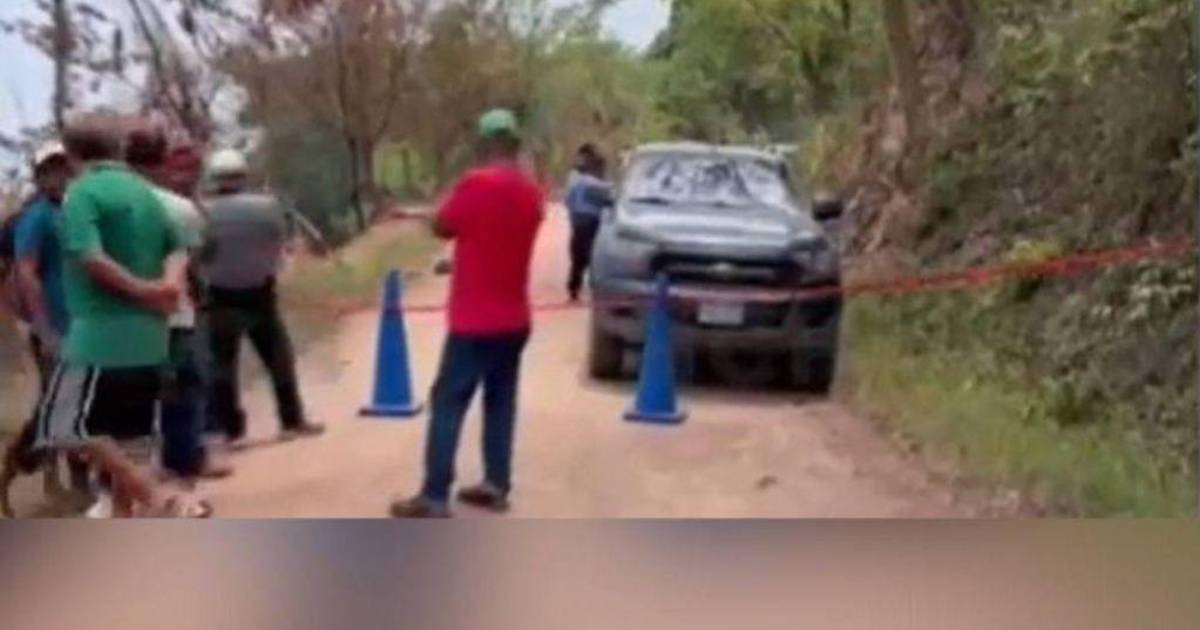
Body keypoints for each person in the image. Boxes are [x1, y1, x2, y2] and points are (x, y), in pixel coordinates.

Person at [27, 113, 210, 517]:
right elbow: (177, 247)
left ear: (72, 154)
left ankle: (162, 497)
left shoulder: (82, 193)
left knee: (62, 422)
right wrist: (168, 287)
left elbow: (89, 256)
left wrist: (143, 290)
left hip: (100, 332)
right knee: (130, 438)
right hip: (151, 335)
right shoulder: (144, 192)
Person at [391, 108, 544, 518]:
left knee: (448, 401)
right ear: (515, 144)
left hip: (475, 320)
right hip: (515, 318)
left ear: (484, 143)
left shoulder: (477, 183)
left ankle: (435, 494)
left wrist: (431, 209)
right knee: (500, 400)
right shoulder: (532, 191)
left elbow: (443, 226)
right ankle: (496, 483)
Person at [125, 126, 232, 484]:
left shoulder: (102, 206)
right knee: (185, 389)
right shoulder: (179, 207)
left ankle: (137, 474)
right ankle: (183, 464)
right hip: (176, 311)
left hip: (123, 317)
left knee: (137, 396)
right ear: (163, 162)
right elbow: (204, 253)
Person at [201, 149, 324, 445]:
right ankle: (291, 420)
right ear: (243, 175)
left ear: (214, 178)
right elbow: (278, 242)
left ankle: (232, 430)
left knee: (222, 365)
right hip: (260, 291)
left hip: (219, 294)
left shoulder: (203, 212)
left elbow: (201, 254)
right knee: (279, 357)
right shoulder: (267, 206)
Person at [564, 143, 614, 301]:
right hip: (589, 221)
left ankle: (575, 287)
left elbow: (569, 200)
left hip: (581, 222)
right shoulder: (589, 182)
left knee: (579, 256)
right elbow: (608, 197)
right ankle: (583, 287)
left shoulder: (577, 179)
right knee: (587, 256)